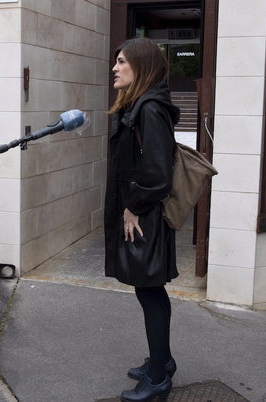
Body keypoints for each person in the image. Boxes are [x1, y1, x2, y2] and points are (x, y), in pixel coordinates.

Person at [104, 38, 181, 402]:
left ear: (142, 66)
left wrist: (132, 207)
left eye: (122, 62)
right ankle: (162, 362)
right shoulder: (140, 106)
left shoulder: (149, 109)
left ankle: (157, 380)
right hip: (141, 214)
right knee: (150, 290)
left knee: (149, 290)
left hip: (143, 216)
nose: (115, 68)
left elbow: (157, 174)